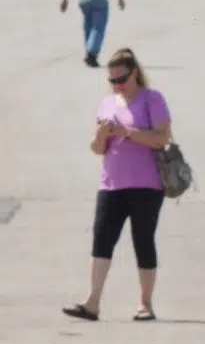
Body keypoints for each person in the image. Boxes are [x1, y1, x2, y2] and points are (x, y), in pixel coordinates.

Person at [65, 46, 173, 323]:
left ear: (134, 73)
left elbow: (161, 138)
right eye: (112, 81)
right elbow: (97, 148)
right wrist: (102, 134)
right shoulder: (107, 103)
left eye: (121, 80)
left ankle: (145, 304)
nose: (117, 86)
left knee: (143, 240)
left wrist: (126, 132)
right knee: (102, 239)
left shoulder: (152, 99)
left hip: (146, 184)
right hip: (111, 184)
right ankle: (92, 303)